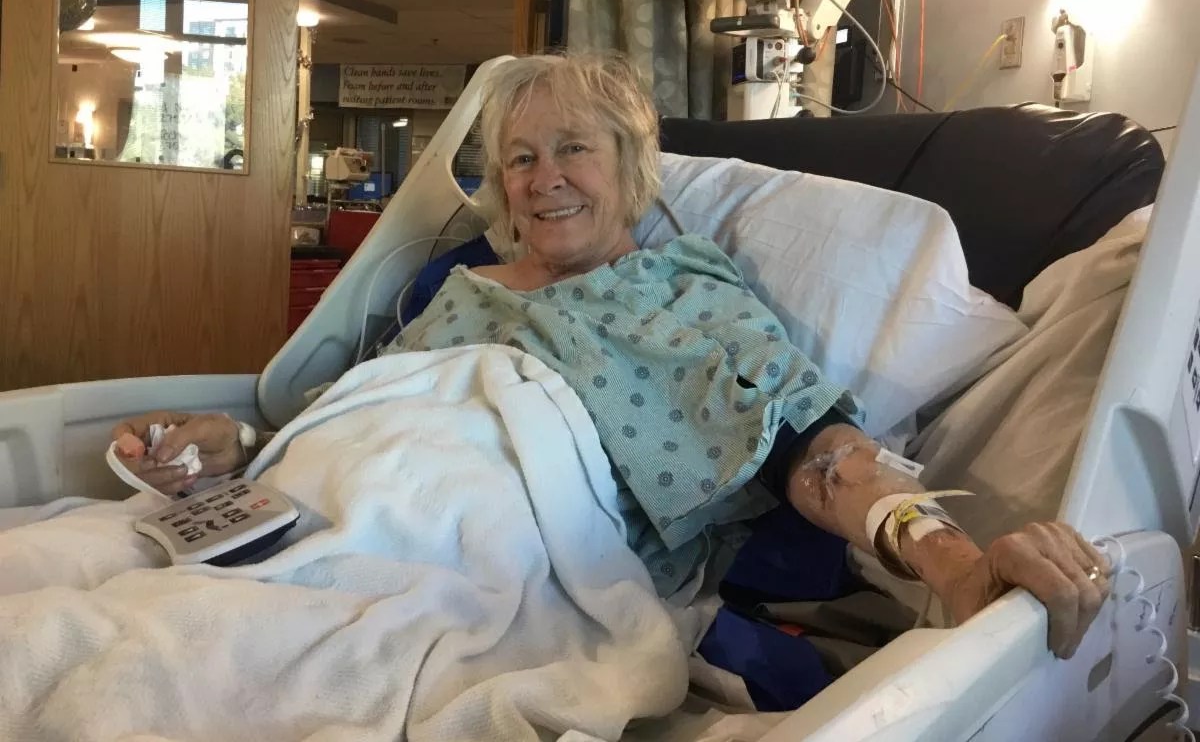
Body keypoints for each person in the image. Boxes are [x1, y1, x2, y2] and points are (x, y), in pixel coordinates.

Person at [114, 52, 1109, 711]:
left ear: (632, 167)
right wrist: (231, 449)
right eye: (520, 157)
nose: (543, 177)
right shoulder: (453, 290)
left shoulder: (686, 294)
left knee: (182, 668)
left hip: (494, 556)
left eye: (574, 149)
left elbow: (819, 452)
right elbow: (357, 421)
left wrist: (950, 561)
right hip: (337, 509)